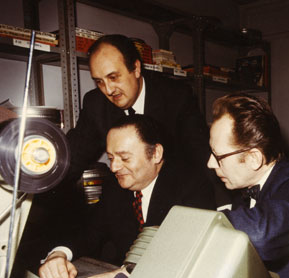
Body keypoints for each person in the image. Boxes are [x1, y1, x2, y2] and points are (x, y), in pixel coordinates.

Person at [39, 114, 215, 278]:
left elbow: (186, 255)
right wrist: (59, 254)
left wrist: (125, 275)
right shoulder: (115, 188)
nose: (114, 167)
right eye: (110, 158)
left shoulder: (192, 187)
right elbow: (89, 231)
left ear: (156, 154)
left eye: (124, 158)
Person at [66, 33, 210, 181]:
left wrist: (221, 204)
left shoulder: (176, 96)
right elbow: (73, 158)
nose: (108, 90)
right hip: (126, 194)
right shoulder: (95, 103)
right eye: (99, 82)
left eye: (113, 77)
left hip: (173, 188)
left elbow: (202, 155)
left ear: (136, 69)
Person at [207, 92, 289, 278]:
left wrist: (193, 225)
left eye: (217, 156)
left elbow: (262, 234)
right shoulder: (245, 191)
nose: (210, 163)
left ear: (254, 158)